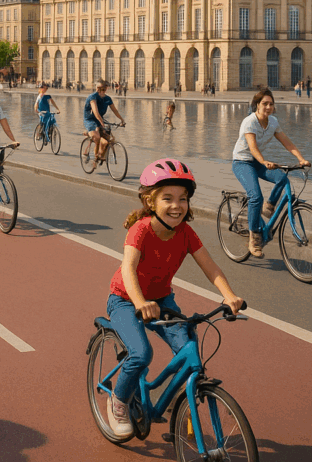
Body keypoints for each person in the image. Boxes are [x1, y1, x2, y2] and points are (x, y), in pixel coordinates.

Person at [104, 158, 243, 437]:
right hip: (125, 299)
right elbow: (128, 268)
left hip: (163, 301)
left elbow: (210, 266)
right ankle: (118, 401)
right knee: (142, 354)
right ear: (150, 201)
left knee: (188, 352)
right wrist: (140, 302)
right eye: (167, 198)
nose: (176, 205)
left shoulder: (185, 233)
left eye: (183, 198)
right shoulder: (140, 230)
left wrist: (229, 296)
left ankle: (182, 401)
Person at [231, 88, 310, 258]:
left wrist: (301, 159)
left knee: (283, 178)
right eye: (264, 104)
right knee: (256, 196)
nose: (268, 107)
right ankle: (254, 238)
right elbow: (252, 148)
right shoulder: (249, 122)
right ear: (257, 105)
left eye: (271, 104)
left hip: (258, 162)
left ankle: (269, 207)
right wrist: (264, 161)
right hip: (242, 162)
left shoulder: (273, 122)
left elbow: (287, 143)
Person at [83, 80, 126, 164]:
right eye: (100, 89)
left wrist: (122, 120)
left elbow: (115, 111)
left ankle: (100, 155)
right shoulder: (92, 97)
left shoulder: (107, 99)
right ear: (97, 89)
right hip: (90, 120)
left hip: (100, 119)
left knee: (107, 140)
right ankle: (93, 154)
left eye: (104, 89)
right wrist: (101, 122)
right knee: (97, 137)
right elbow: (95, 112)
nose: (102, 91)